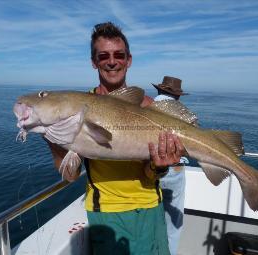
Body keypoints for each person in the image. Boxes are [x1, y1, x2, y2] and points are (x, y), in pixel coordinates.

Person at [82, 22, 184, 254]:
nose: (111, 61)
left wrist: (159, 168)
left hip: (151, 206)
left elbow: (149, 173)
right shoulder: (83, 107)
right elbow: (67, 174)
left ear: (128, 59)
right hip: (107, 212)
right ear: (94, 62)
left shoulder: (150, 107)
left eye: (119, 55)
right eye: (103, 56)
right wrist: (52, 138)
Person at [152, 76, 198, 255]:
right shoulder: (181, 112)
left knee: (152, 218)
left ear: (158, 91)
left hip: (150, 169)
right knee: (173, 223)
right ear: (177, 96)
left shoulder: (147, 107)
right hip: (174, 169)